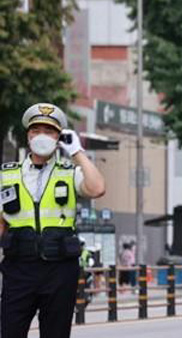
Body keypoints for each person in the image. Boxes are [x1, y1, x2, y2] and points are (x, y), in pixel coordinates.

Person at [0, 103, 105, 338]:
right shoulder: (7, 175)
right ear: (28, 135)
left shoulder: (69, 172)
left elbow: (97, 188)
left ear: (59, 138)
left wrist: (78, 152)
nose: (41, 137)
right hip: (19, 269)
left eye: (49, 132)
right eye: (36, 131)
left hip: (60, 271)